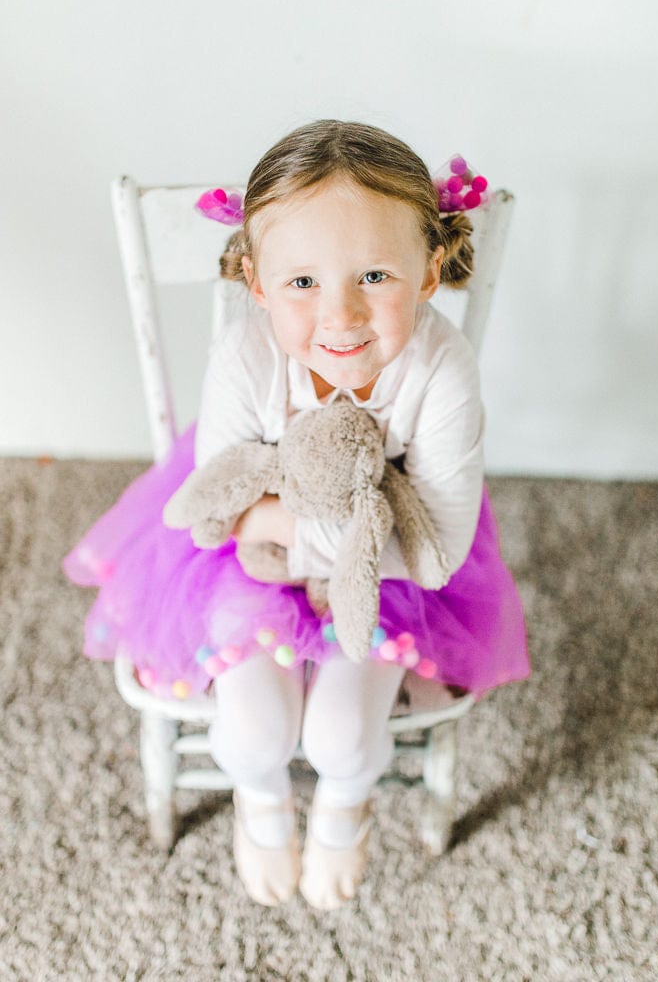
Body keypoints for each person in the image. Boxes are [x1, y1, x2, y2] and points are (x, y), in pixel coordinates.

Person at [64, 120, 529, 910]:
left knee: (343, 739)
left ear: (429, 272)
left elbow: (436, 551)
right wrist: (283, 530)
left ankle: (346, 810)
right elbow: (222, 510)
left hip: (393, 567)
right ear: (256, 283)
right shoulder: (247, 358)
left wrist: (290, 527)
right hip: (248, 566)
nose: (340, 315)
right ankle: (263, 806)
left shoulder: (440, 371)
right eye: (302, 282)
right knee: (252, 734)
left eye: (375, 275)